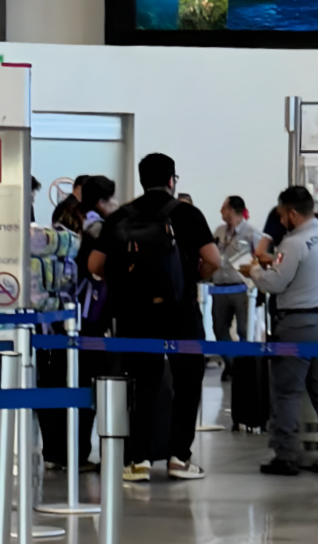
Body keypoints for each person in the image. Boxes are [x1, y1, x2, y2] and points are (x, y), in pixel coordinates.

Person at [88, 154, 221, 483]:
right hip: (181, 312)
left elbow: (94, 265)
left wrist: (124, 282)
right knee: (187, 383)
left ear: (141, 179)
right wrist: (192, 276)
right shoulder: (187, 214)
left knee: (142, 384)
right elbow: (213, 260)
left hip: (135, 316)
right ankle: (179, 457)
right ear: (173, 179)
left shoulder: (121, 216)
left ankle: (139, 460)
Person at [250, 186, 318, 476]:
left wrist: (255, 271)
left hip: (298, 326)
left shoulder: (293, 244)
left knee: (286, 392)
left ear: (293, 213)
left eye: (282, 216)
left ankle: (286, 457)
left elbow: (275, 284)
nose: (281, 221)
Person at [41, 175, 116, 471]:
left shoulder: (62, 215)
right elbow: (98, 268)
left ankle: (53, 452)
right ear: (102, 200)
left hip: (53, 316)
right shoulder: (100, 226)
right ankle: (77, 453)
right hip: (88, 316)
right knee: (85, 385)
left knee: (53, 382)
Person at [212, 196, 264, 380]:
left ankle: (244, 368)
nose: (221, 211)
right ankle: (231, 363)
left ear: (233, 211)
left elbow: (262, 258)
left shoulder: (251, 233)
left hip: (243, 289)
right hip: (220, 288)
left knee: (244, 330)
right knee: (219, 329)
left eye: (223, 208)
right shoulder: (218, 231)